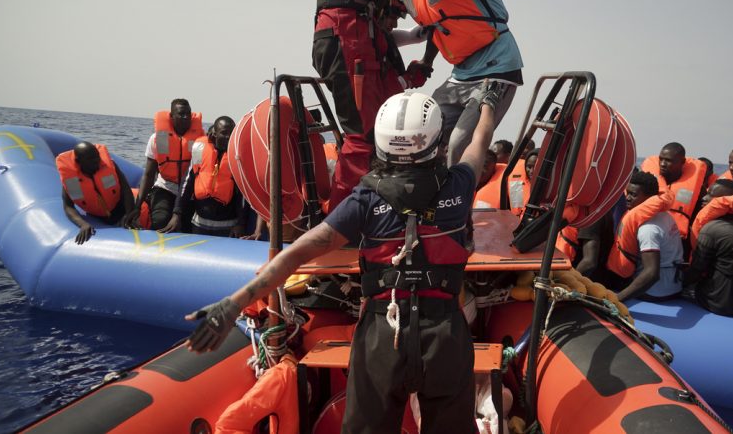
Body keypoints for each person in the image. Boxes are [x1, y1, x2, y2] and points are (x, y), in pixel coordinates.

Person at [185, 85, 503, 434]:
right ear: (435, 139)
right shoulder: (459, 187)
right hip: (445, 337)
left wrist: (234, 304)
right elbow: (479, 142)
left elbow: (295, 255)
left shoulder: (365, 200)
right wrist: (487, 104)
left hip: (383, 338)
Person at [377, 0, 523, 166]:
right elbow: (437, 25)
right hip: (462, 72)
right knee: (426, 134)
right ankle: (429, 201)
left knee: (458, 144)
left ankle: (459, 204)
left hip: (497, 65)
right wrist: (426, 60)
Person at [305, 0, 415, 208]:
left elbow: (386, 30)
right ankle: (341, 223)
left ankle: (370, 209)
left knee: (378, 133)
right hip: (345, 44)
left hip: (360, 47)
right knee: (361, 138)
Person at [683, 179, 733, 316]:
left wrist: (679, 280)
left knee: (671, 288)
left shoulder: (711, 229)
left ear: (725, 201)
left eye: (711, 196)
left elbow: (696, 271)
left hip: (717, 303)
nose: (704, 197)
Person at [161, 116, 244, 237]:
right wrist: (176, 214)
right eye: (224, 133)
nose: (228, 137)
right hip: (200, 224)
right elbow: (187, 184)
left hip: (227, 226)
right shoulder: (200, 150)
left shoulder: (237, 157)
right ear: (214, 134)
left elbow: (242, 195)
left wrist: (241, 224)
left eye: (231, 133)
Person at [132, 99, 204, 230]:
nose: (186, 117)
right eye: (181, 114)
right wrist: (137, 206)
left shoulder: (199, 141)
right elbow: (148, 174)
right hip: (165, 187)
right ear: (171, 116)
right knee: (160, 221)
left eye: (188, 114)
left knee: (187, 227)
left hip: (189, 191)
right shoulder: (158, 139)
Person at [615, 172, 684, 302]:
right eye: (627, 193)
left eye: (633, 195)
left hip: (655, 292)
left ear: (650, 197)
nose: (628, 198)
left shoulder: (648, 229)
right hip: (675, 286)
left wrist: (616, 299)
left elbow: (652, 274)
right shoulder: (666, 215)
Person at [56, 141, 135, 245]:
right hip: (98, 215)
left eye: (97, 156)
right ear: (78, 161)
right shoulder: (72, 180)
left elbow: (126, 190)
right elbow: (68, 206)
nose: (96, 161)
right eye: (90, 159)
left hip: (121, 208)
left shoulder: (109, 166)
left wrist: (129, 213)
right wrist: (83, 224)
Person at [639, 142, 707, 246]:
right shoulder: (648, 182)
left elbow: (698, 219)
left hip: (678, 240)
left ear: (682, 162)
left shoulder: (698, 190)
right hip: (648, 236)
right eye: (661, 159)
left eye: (668, 161)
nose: (662, 164)